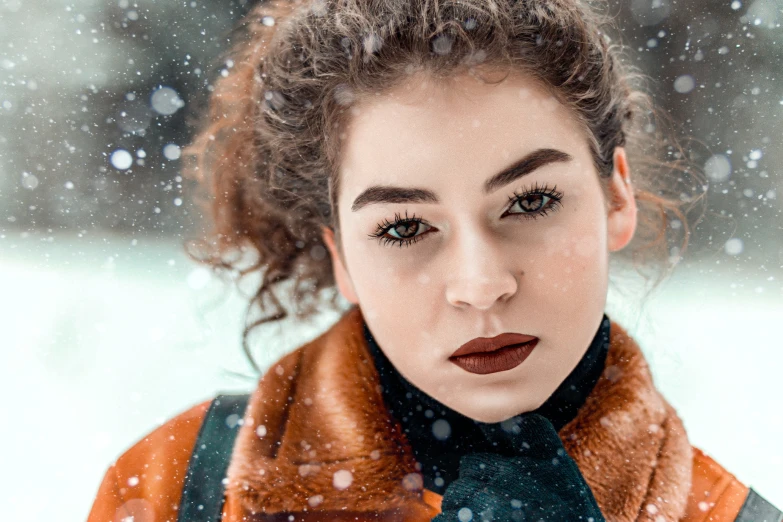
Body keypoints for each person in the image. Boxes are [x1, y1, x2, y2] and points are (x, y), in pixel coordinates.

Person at [87, 0, 780, 521]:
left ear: (614, 197)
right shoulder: (177, 487)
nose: (480, 286)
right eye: (405, 226)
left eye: (531, 201)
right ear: (342, 258)